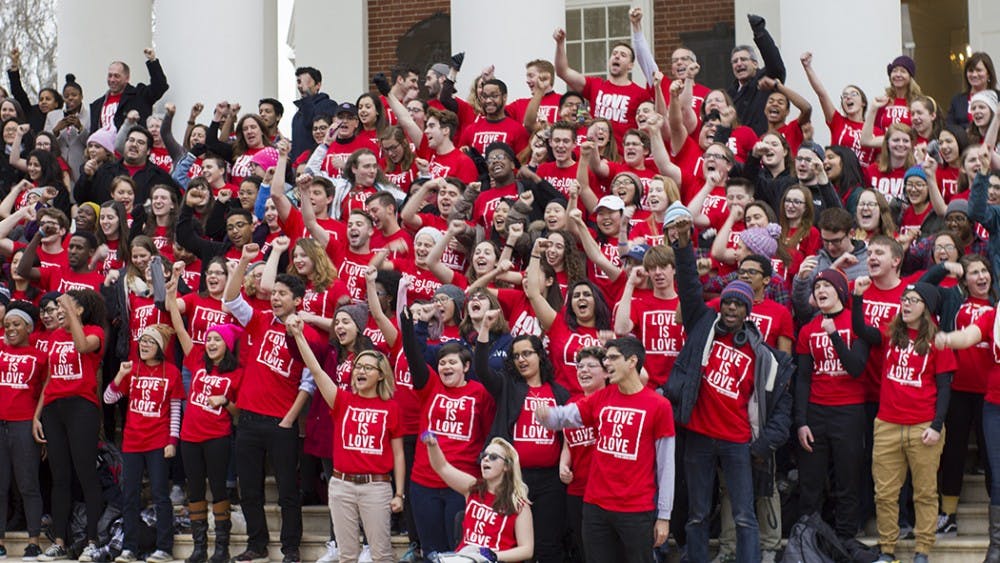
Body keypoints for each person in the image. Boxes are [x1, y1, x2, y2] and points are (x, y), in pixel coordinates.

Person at [666, 216, 793, 563]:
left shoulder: (761, 353)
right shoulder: (703, 328)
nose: (732, 308)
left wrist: (762, 441)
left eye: (739, 304)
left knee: (743, 516)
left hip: (738, 440)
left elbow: (775, 398)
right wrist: (682, 248)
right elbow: (691, 289)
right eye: (727, 303)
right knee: (696, 513)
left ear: (748, 310)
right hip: (700, 435)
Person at [222, 244, 326, 563]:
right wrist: (242, 261)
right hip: (250, 419)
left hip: (281, 421)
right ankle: (257, 544)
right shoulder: (260, 319)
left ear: (298, 301)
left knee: (287, 492)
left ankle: (290, 548)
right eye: (275, 292)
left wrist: (290, 419)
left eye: (284, 294)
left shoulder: (307, 334)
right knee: (249, 489)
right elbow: (230, 300)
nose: (277, 297)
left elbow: (309, 383)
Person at [535, 335, 674, 563]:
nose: (607, 363)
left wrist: (664, 516)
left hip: (636, 510)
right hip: (595, 507)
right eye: (606, 358)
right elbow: (564, 418)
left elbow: (666, 465)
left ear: (632, 361)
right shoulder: (602, 397)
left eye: (613, 358)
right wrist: (546, 415)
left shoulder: (659, 405)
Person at [287, 315, 405, 563]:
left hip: (377, 486)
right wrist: (298, 335)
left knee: (381, 554)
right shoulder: (342, 400)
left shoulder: (391, 407)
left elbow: (398, 454)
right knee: (347, 555)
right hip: (341, 485)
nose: (360, 371)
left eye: (367, 368)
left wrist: (400, 493)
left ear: (381, 375)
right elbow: (317, 372)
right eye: (358, 367)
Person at [853, 280, 955, 563]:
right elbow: (860, 330)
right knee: (885, 494)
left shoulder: (939, 340)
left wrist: (936, 426)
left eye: (913, 300)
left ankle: (923, 549)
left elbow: (945, 387)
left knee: (924, 493)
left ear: (927, 308)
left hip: (924, 426)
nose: (906, 304)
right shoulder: (890, 333)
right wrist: (857, 297)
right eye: (904, 299)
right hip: (886, 424)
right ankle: (887, 550)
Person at [165, 270, 241, 563]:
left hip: (218, 438)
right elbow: (180, 328)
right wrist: (172, 292)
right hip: (190, 437)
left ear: (226, 345)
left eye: (216, 340)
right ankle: (199, 546)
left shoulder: (236, 374)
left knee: (219, 489)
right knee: (194, 490)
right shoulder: (196, 359)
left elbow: (239, 413)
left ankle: (221, 547)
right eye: (208, 339)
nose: (209, 343)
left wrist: (225, 401)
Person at [794, 268, 869, 541]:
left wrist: (835, 335)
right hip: (816, 411)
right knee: (811, 483)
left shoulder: (855, 323)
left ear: (839, 291)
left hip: (849, 411)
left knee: (847, 480)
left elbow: (856, 368)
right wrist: (801, 422)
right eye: (817, 288)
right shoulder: (807, 330)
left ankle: (846, 539)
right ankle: (808, 541)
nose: (821, 291)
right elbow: (802, 379)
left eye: (827, 286)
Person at [34, 290, 106, 562]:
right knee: (59, 477)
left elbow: (82, 346)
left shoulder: (95, 331)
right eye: (59, 308)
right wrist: (36, 416)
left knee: (86, 474)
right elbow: (50, 379)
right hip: (54, 409)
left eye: (66, 306)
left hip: (82, 408)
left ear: (81, 310)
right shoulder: (53, 337)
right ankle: (60, 541)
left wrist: (72, 314)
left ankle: (92, 540)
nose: (60, 311)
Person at [103, 325, 183, 563]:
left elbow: (176, 411)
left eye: (150, 341)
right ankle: (130, 548)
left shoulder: (172, 372)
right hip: (132, 442)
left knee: (160, 494)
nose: (144, 345)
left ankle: (164, 548)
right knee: (130, 495)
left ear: (160, 347)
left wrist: (172, 441)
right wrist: (120, 375)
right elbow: (108, 398)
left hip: (158, 441)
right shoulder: (132, 369)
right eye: (142, 341)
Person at [0, 302, 46, 560]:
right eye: (7, 325)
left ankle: (33, 541)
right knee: (0, 485)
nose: (10, 329)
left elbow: (45, 390)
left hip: (23, 423)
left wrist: (37, 420)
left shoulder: (40, 356)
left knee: (28, 484)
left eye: (16, 324)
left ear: (29, 327)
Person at [553, 26, 651, 142]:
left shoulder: (640, 94)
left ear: (630, 65)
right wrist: (560, 44)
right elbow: (562, 71)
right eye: (614, 53)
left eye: (623, 55)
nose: (617, 56)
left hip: (621, 156)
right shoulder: (595, 85)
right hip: (595, 153)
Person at [727, 15, 785, 135]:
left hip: (765, 144)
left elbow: (774, 62)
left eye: (743, 59)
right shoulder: (730, 94)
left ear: (755, 63)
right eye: (735, 61)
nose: (739, 64)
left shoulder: (765, 79)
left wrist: (760, 31)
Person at [89, 49, 168, 132]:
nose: (112, 80)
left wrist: (153, 61)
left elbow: (160, 86)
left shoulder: (139, 95)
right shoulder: (97, 105)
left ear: (127, 78)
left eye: (116, 76)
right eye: (110, 76)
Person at [291, 67, 338, 158]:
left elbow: (310, 122)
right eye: (299, 82)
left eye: (306, 81)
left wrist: (307, 95)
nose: (302, 86)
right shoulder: (298, 115)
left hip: (319, 161)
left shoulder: (328, 105)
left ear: (318, 85)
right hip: (299, 165)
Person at [946, 52, 997, 129]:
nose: (974, 75)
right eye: (970, 70)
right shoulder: (957, 101)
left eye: (979, 70)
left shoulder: (998, 98)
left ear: (988, 74)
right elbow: (950, 129)